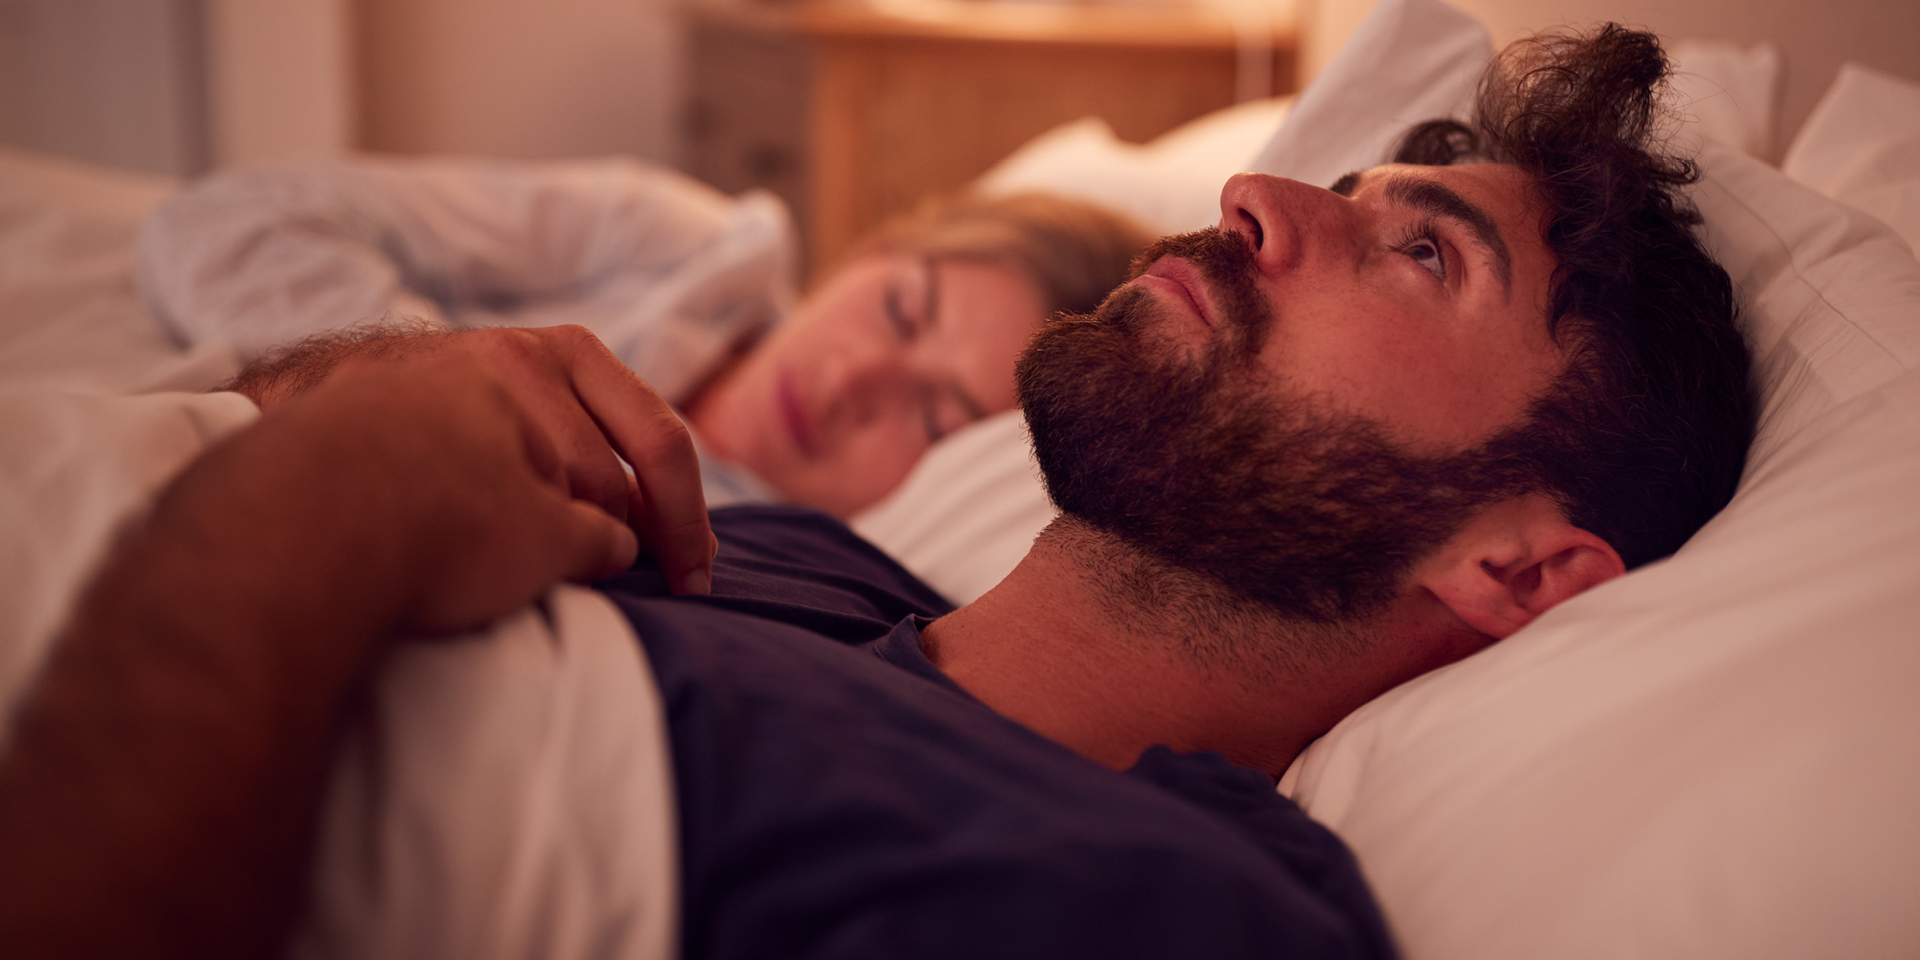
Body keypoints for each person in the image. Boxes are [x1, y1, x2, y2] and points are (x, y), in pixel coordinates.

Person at [0, 23, 1754, 960]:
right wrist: (357, 396)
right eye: (1342, 186)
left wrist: (344, 492)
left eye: (1419, 254)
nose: (1252, 196)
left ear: (1525, 572)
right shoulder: (790, 553)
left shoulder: (1160, 907)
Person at [138, 161, 1151, 515]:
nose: (851, 378)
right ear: (874, 249)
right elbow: (237, 216)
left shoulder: (779, 555)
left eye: (934, 415)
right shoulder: (684, 243)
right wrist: (437, 382)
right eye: (900, 309)